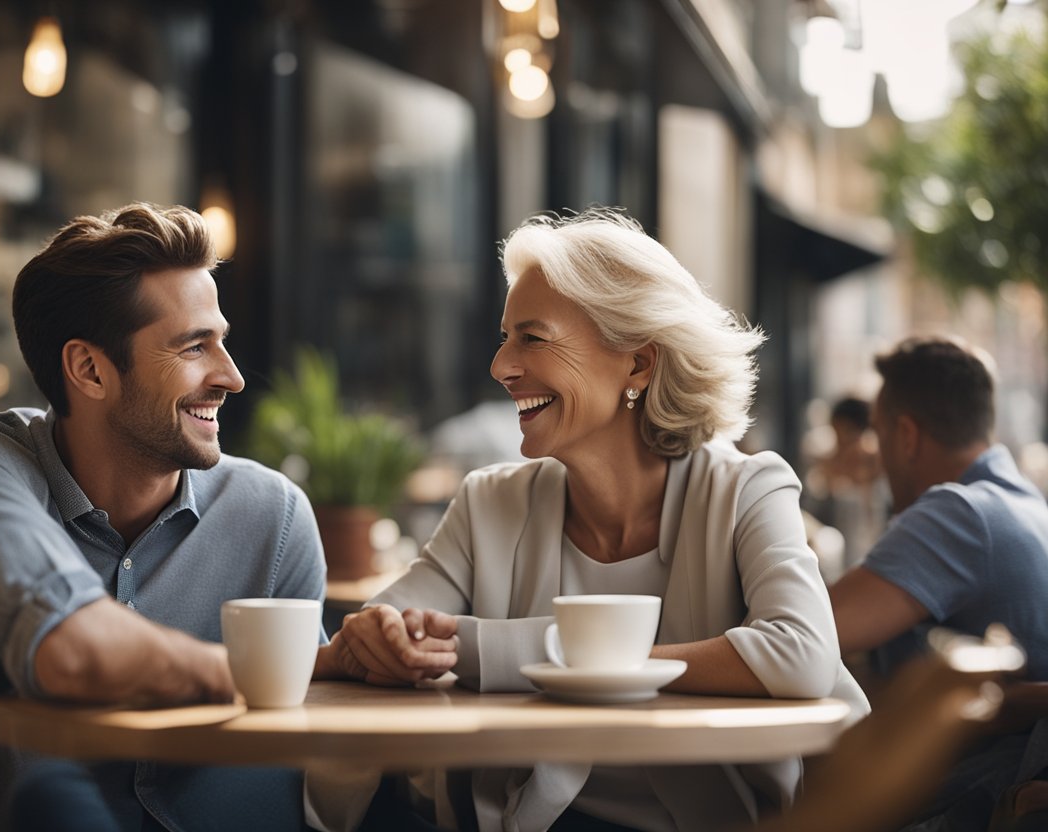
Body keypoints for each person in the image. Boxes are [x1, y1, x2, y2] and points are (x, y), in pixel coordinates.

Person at [329, 208, 869, 832]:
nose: (501, 366)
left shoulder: (748, 488)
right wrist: (377, 638)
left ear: (638, 365)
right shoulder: (490, 501)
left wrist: (507, 651)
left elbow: (800, 654)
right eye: (505, 338)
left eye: (532, 338)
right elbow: (384, 634)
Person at [0, 203, 414, 831]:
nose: (232, 377)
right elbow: (74, 651)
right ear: (89, 370)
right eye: (194, 347)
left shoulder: (273, 516)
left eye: (222, 341)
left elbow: (318, 760)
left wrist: (351, 666)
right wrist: (257, 677)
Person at [829, 335, 1048, 831]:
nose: (877, 457)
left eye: (879, 434)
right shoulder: (1025, 504)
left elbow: (802, 632)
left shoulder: (961, 512)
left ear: (907, 435)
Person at [804, 396, 886, 574]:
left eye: (844, 433)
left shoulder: (883, 465)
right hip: (844, 565)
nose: (839, 443)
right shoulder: (830, 465)